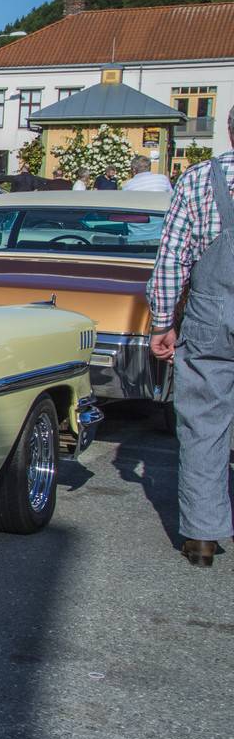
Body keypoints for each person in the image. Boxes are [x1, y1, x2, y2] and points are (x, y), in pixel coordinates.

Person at [146, 148, 234, 567]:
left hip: (211, 317)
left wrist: (162, 322)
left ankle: (202, 536)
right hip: (211, 312)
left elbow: (171, 260)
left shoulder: (199, 179)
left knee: (204, 424)